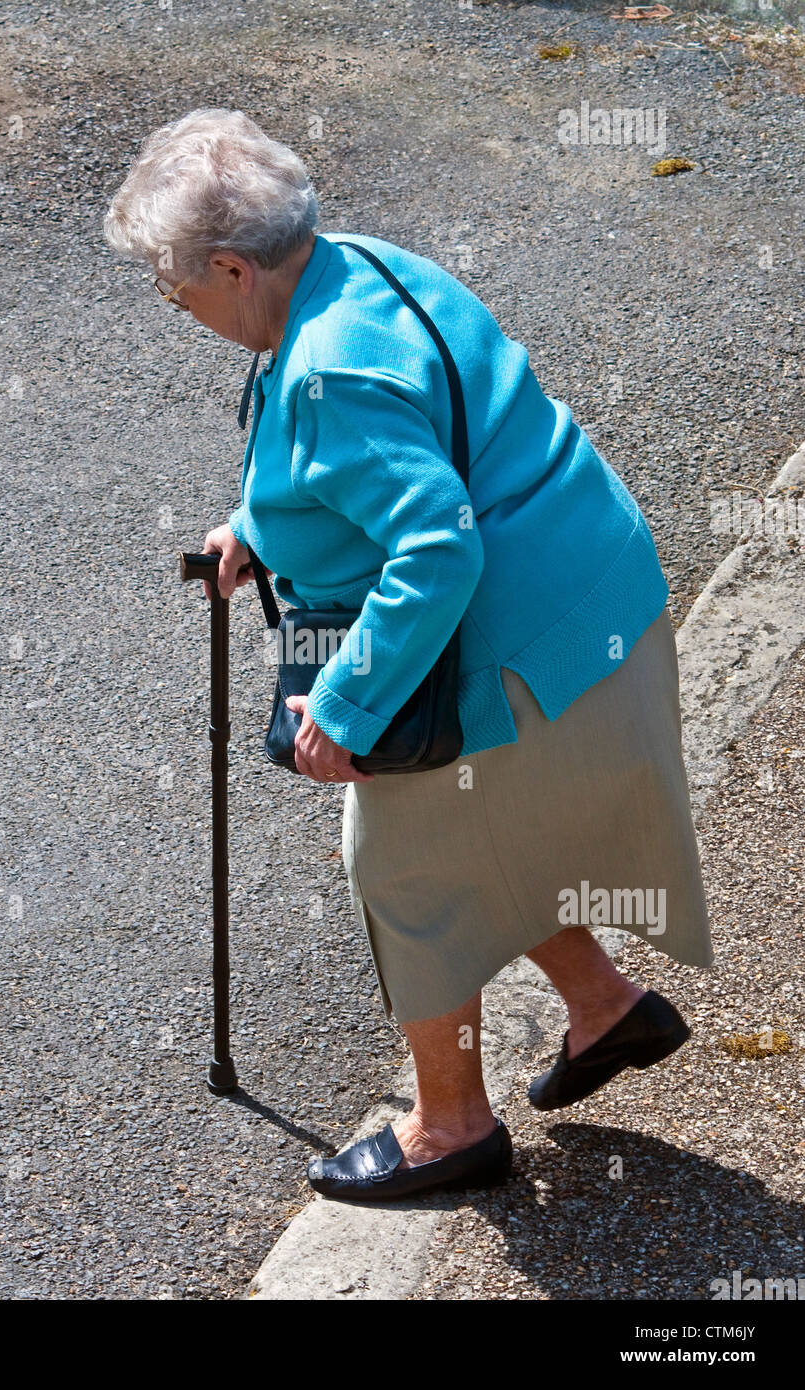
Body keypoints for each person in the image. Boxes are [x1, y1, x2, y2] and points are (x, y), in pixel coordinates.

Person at [103, 108, 714, 1201]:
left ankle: (450, 1129)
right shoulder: (355, 264)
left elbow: (434, 548)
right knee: (495, 834)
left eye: (170, 283)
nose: (172, 303)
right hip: (590, 592)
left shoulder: (329, 375)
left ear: (234, 268)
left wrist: (347, 703)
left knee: (406, 872)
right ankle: (606, 1008)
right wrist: (264, 525)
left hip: (514, 643)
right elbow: (385, 449)